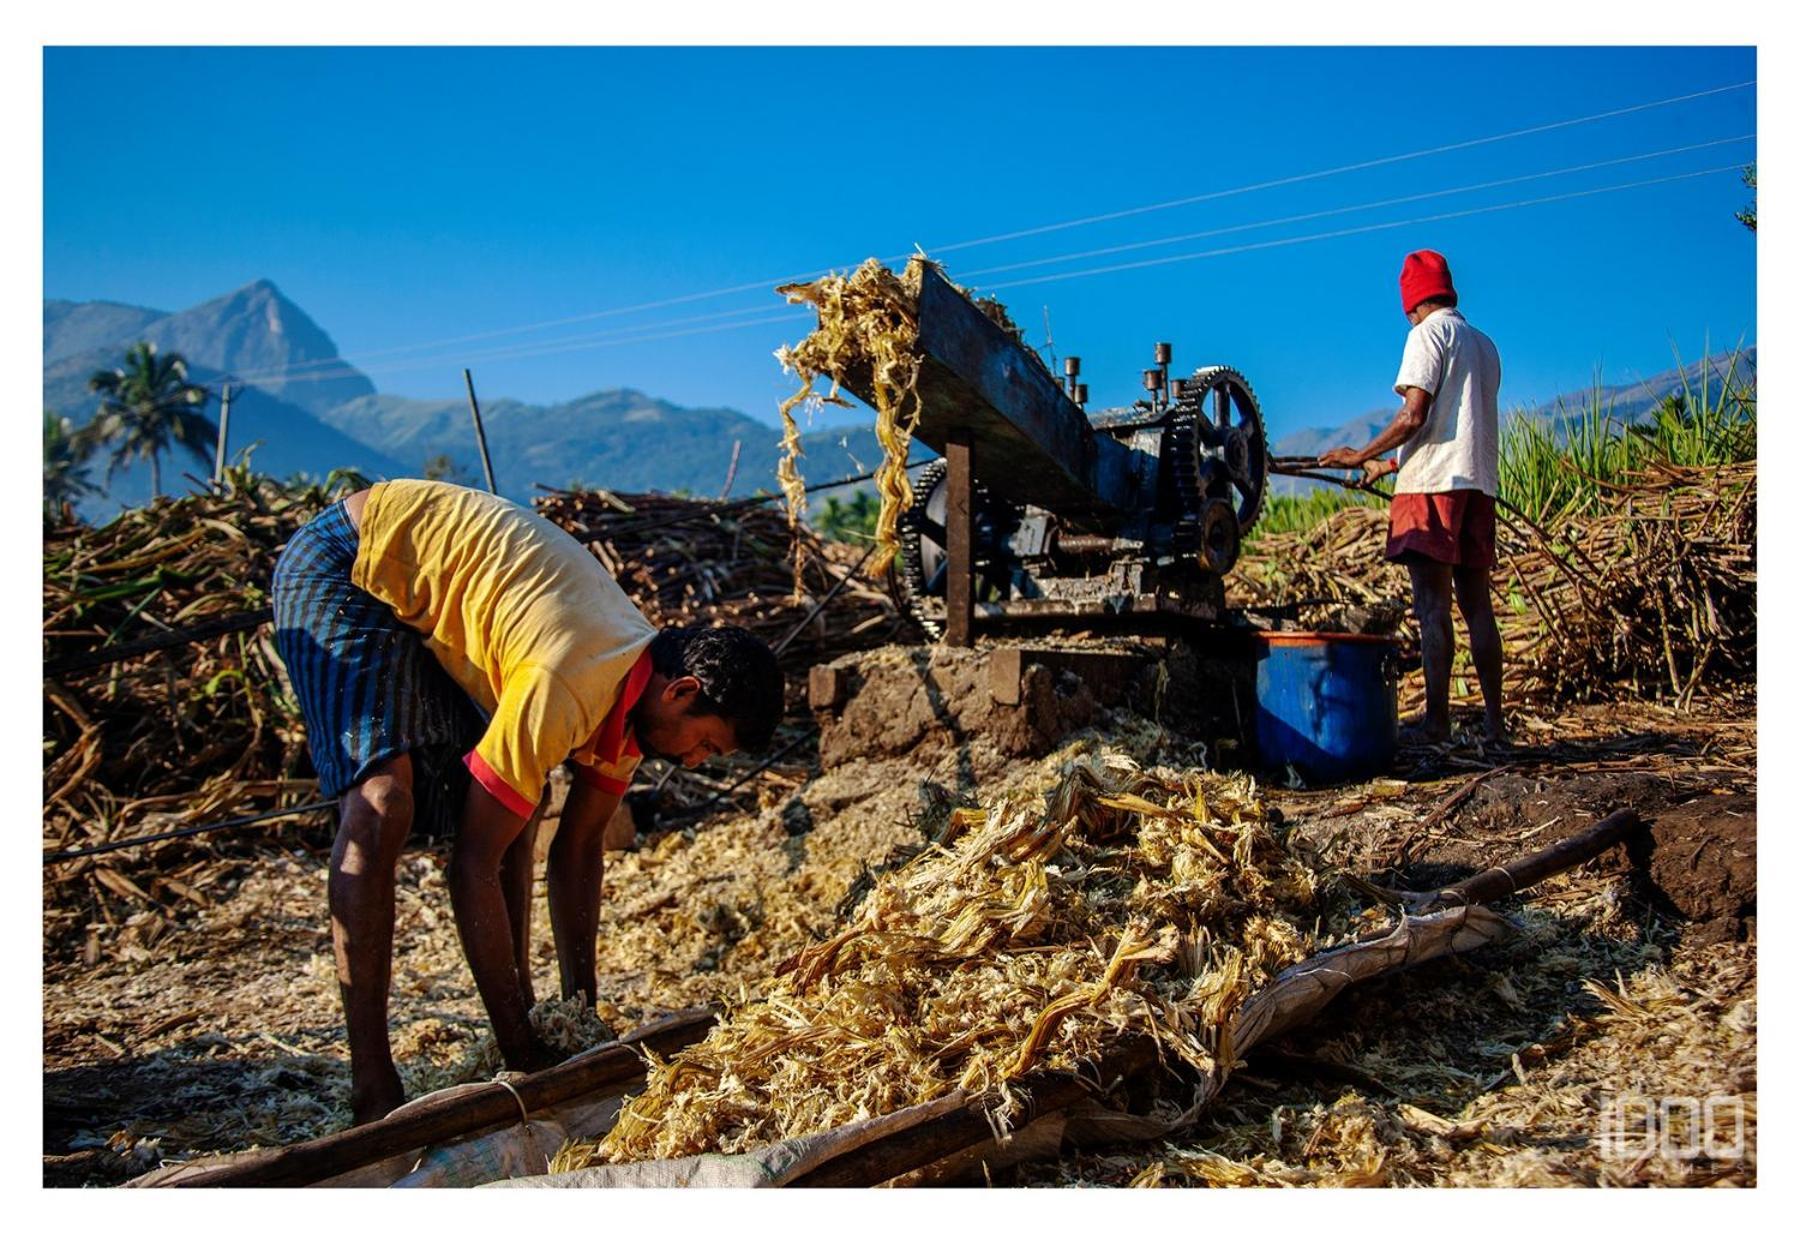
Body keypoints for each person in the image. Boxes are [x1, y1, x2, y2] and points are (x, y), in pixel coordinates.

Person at [270, 479, 782, 1123]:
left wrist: (581, 1020)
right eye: (706, 744)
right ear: (680, 692)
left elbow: (578, 852)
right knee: (383, 800)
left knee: (525, 803)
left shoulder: (635, 703)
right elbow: (473, 864)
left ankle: (531, 1018)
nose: (693, 761)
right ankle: (373, 1085)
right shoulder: (573, 678)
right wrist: (523, 1054)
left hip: (417, 591)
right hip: (347, 560)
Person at [1318, 249, 1506, 746]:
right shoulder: (1484, 346)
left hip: (1431, 489)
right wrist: (1384, 465)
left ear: (1412, 303)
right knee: (1477, 607)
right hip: (1477, 486)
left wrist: (1360, 453)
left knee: (1431, 607)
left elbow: (1415, 416)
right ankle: (1496, 725)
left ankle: (1437, 725)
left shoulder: (1427, 335)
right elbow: (1453, 429)